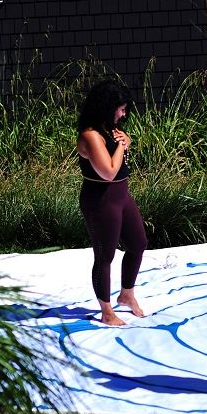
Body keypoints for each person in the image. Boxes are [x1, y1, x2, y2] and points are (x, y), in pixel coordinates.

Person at [77, 81, 148, 326]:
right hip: (101, 200)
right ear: (106, 107)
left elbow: (119, 160)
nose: (124, 114)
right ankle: (106, 311)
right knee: (105, 254)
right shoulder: (90, 135)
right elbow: (108, 171)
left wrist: (125, 141)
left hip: (121, 195)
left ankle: (126, 294)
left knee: (138, 243)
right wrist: (121, 146)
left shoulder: (108, 129)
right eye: (121, 109)